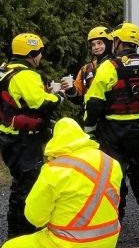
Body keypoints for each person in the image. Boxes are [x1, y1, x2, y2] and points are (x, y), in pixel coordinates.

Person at [84, 22, 139, 245]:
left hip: (113, 131)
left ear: (117, 42)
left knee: (114, 179)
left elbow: (94, 102)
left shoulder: (109, 66)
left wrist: (89, 130)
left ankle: (114, 223)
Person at [1, 117, 122, 248]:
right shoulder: (111, 163)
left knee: (10, 245)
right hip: (108, 240)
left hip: (68, 244)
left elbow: (35, 218)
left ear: (56, 141)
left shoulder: (54, 170)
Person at [0, 33, 63, 239]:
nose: (41, 57)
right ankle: (25, 234)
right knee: (27, 188)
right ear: (32, 53)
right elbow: (41, 104)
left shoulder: (5, 70)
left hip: (9, 137)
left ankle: (14, 233)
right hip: (24, 140)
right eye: (40, 52)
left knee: (19, 185)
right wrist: (58, 97)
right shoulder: (26, 75)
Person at [62, 26, 113, 123]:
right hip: (92, 119)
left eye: (99, 43)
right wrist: (70, 89)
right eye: (93, 45)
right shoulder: (86, 69)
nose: (96, 47)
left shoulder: (117, 65)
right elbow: (78, 98)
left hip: (112, 118)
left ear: (108, 43)